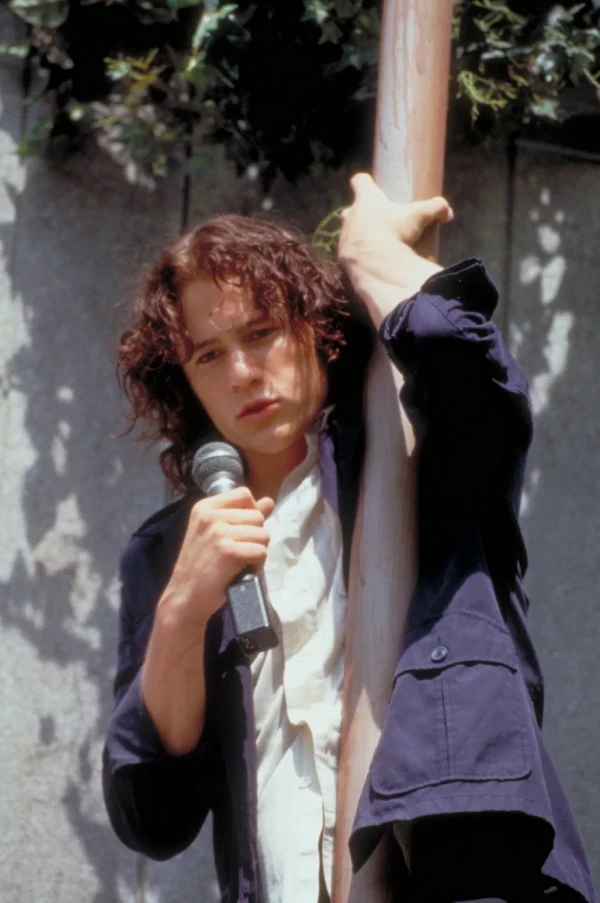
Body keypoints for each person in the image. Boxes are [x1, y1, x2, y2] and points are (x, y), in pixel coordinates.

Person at [103, 174, 597, 903]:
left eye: (261, 332)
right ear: (186, 382)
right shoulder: (171, 549)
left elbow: (474, 375)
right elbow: (152, 814)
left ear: (314, 326)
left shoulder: (409, 452)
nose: (242, 373)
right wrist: (180, 610)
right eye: (208, 355)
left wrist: (372, 261)